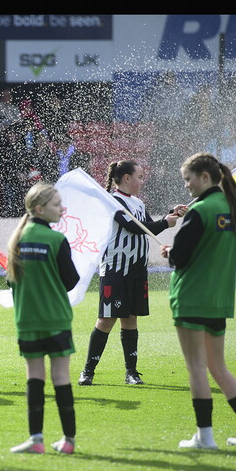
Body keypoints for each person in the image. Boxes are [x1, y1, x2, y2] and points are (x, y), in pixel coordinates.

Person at [160, 152, 236, 450]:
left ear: (205, 177)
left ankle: (205, 437)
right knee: (218, 368)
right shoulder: (230, 207)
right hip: (218, 300)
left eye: (188, 179)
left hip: (192, 298)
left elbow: (180, 258)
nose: (186, 185)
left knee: (196, 368)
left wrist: (171, 253)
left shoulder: (200, 210)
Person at [78, 160, 185, 387]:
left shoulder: (137, 202)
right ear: (126, 178)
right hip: (116, 270)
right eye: (139, 176)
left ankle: (131, 373)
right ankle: (87, 371)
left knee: (130, 319)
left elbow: (147, 224)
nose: (141, 181)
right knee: (106, 320)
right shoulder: (112, 201)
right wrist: (166, 223)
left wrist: (170, 214)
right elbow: (135, 227)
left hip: (137, 271)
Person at [6, 182, 80, 454]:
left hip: (27, 319)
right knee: (61, 376)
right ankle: (68, 441)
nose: (62, 209)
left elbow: (10, 281)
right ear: (40, 208)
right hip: (57, 319)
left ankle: (35, 440)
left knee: (35, 377)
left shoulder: (18, 238)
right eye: (57, 204)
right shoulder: (57, 240)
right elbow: (71, 281)